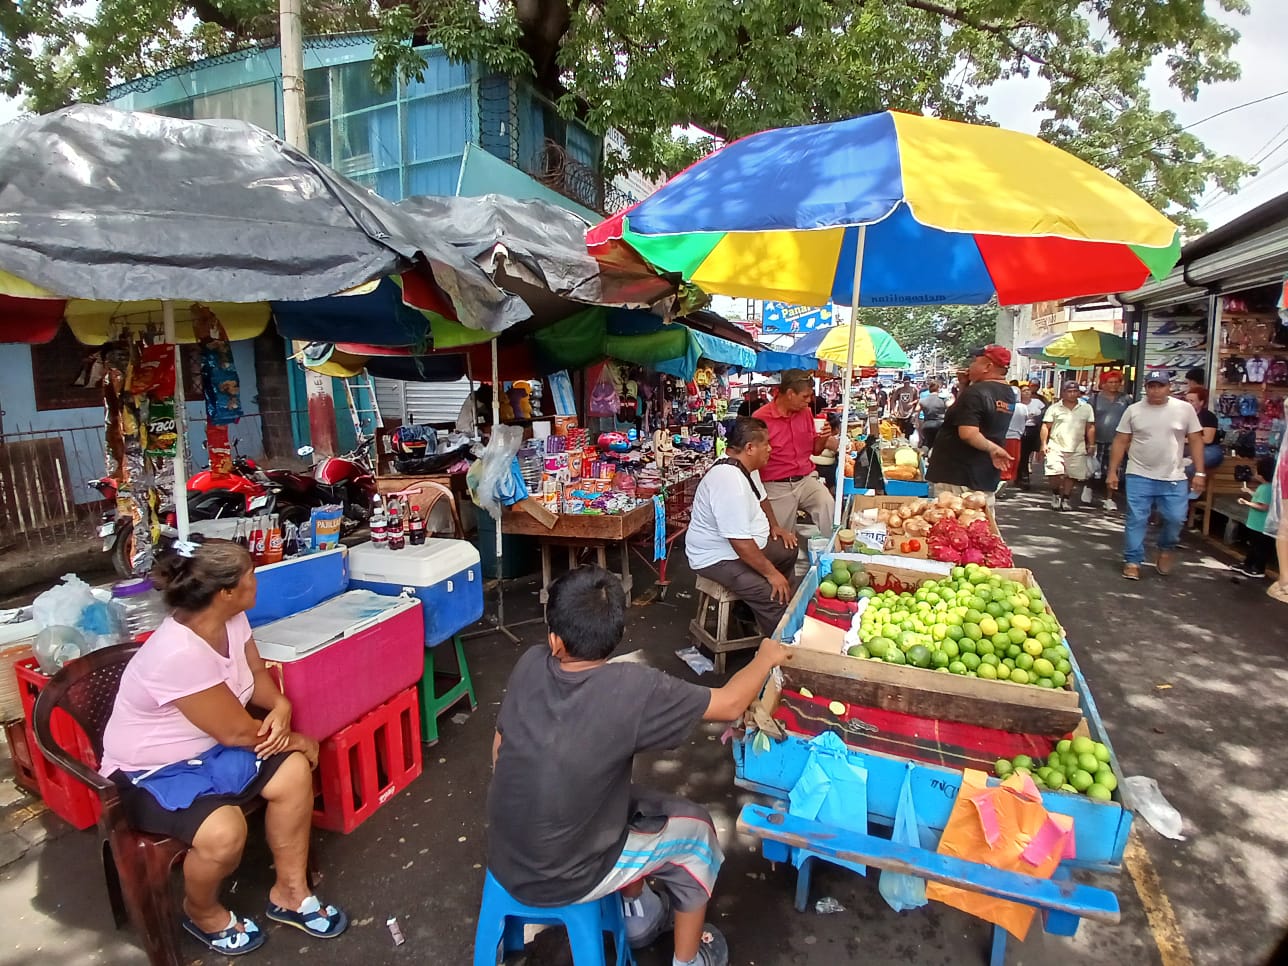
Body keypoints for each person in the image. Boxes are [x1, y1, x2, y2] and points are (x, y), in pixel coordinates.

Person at [485, 566, 795, 966]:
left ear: (554, 640)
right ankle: (689, 959)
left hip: (507, 850)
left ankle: (640, 915)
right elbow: (731, 703)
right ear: (614, 636)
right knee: (697, 834)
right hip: (567, 873)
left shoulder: (530, 663)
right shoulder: (633, 688)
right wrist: (766, 657)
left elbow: (499, 750)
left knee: (629, 808)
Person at [98, 538, 347, 956]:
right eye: (250, 572)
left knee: (291, 774)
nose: (256, 578)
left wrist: (281, 704)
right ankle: (201, 911)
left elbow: (253, 671)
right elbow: (235, 732)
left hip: (209, 747)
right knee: (224, 833)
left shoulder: (231, 619)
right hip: (149, 773)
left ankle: (290, 891)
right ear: (225, 591)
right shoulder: (175, 653)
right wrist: (300, 740)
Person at [685, 417, 799, 636]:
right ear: (749, 448)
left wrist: (774, 527)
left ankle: (750, 609)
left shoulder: (745, 468)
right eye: (766, 444)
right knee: (772, 597)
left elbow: (761, 500)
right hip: (717, 558)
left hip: (740, 549)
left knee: (789, 549)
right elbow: (740, 543)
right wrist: (770, 574)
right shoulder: (728, 480)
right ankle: (781, 653)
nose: (770, 449)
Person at [1107, 370, 1206, 580]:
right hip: (1139, 474)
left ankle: (1166, 547)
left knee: (1175, 518)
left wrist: (1199, 472)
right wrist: (1112, 471)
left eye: (1160, 385)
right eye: (1151, 386)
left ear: (1169, 387)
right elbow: (1121, 441)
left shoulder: (1184, 409)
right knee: (1136, 518)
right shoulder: (1134, 411)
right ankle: (1133, 560)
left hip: (1173, 476)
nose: (1155, 390)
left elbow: (1196, 439)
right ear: (1146, 388)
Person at [925, 345, 1015, 506]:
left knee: (952, 524)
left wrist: (993, 449)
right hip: (983, 474)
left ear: (987, 367)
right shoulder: (1007, 393)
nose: (970, 366)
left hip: (959, 476)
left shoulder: (976, 392)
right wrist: (964, 386)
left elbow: (968, 433)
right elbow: (966, 415)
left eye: (975, 362)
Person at [753, 370, 835, 533]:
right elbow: (754, 458)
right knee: (781, 536)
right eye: (805, 396)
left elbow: (815, 450)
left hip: (805, 479)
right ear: (790, 393)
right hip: (776, 485)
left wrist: (824, 438)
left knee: (826, 503)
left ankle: (830, 550)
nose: (809, 401)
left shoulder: (805, 413)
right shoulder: (761, 418)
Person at [1040, 381, 1096, 511]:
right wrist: (1043, 444)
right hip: (1055, 445)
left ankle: (1066, 498)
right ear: (1063, 393)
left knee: (1071, 475)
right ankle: (1055, 494)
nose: (1072, 394)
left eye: (1075, 391)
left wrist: (1091, 444)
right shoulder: (1054, 408)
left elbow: (1090, 427)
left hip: (1077, 446)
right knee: (1054, 471)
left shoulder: (1086, 408)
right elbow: (1045, 426)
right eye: (1069, 391)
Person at [1090, 371, 1130, 511]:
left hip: (1118, 441)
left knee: (1114, 471)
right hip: (1098, 440)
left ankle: (1109, 498)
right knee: (1095, 470)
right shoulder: (1095, 398)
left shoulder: (1126, 399)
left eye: (1116, 382)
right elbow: (1089, 421)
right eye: (1110, 382)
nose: (1114, 385)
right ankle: (1089, 487)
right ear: (1104, 384)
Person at [1232, 456, 1276, 579]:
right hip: (1255, 524)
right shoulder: (1265, 487)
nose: (1254, 474)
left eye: (1257, 471)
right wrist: (1249, 491)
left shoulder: (1267, 488)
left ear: (1262, 475)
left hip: (1261, 525)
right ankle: (1248, 564)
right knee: (1253, 546)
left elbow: (1263, 506)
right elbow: (1258, 497)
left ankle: (1259, 568)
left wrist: (1247, 503)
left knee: (1260, 548)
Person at [1183, 387, 1224, 475]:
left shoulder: (1208, 416)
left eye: (1191, 401)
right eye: (1186, 401)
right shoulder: (1180, 416)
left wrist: (1183, 439)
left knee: (1192, 467)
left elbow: (1207, 439)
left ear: (1201, 403)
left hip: (1208, 448)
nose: (1188, 404)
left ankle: (1190, 462)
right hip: (1187, 448)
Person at [1017, 384, 1046, 490]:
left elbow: (1045, 412)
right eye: (1024, 391)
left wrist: (1038, 417)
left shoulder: (1037, 402)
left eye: (1028, 390)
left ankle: (1022, 475)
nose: (1027, 392)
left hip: (1034, 430)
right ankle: (1023, 477)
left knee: (1031, 453)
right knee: (1023, 455)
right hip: (1021, 430)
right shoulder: (1017, 404)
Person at [914, 379, 947, 450]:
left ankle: (924, 455)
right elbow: (950, 405)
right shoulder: (943, 399)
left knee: (927, 443)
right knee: (939, 445)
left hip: (927, 424)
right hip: (940, 424)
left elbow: (916, 410)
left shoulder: (922, 400)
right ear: (938, 389)